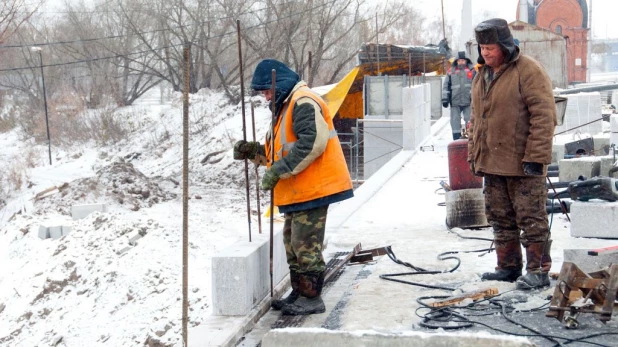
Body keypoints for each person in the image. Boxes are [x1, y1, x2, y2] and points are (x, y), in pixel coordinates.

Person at [233, 59, 354, 315]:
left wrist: (277, 171)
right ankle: (299, 293)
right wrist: (252, 151)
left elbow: (312, 143)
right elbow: (279, 152)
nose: (265, 97)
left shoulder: (302, 101)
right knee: (292, 243)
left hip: (315, 187)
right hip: (299, 189)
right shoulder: (285, 107)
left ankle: (311, 298)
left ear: (279, 85)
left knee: (305, 244)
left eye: (267, 91)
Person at [468, 19, 556, 290]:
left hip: (522, 163)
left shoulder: (528, 70)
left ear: (505, 46)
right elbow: (477, 119)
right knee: (499, 217)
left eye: (490, 48)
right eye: (482, 48)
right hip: (492, 162)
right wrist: (475, 155)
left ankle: (538, 270)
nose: (485, 53)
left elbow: (544, 116)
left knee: (531, 218)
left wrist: (535, 158)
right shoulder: (483, 74)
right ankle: (508, 267)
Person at [442, 51, 476, 140]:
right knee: (455, 121)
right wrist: (445, 99)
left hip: (469, 101)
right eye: (459, 60)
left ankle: (470, 137)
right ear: (456, 61)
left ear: (466, 61)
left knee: (470, 120)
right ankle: (456, 137)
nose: (461, 62)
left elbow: (477, 85)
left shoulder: (472, 71)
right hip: (455, 101)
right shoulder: (451, 72)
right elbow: (446, 86)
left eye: (463, 60)